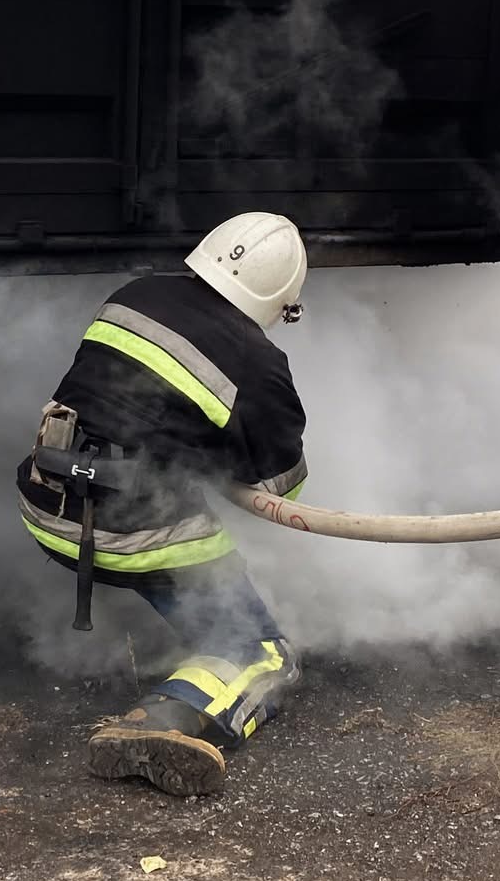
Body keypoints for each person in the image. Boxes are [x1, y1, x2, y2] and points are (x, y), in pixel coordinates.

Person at [17, 212, 311, 796]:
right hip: (131, 529)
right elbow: (281, 489)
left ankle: (172, 630)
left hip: (45, 501)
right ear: (282, 301)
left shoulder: (136, 294)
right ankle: (159, 722)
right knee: (265, 654)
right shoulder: (257, 361)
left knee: (172, 542)